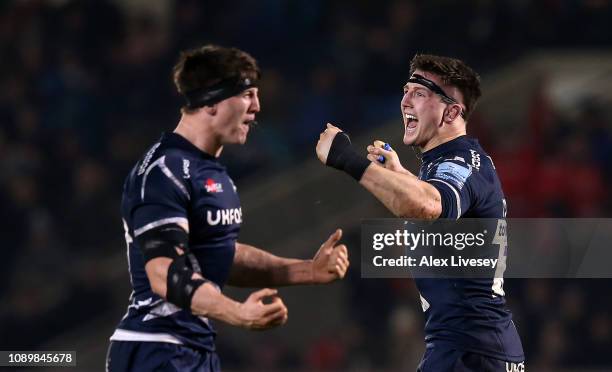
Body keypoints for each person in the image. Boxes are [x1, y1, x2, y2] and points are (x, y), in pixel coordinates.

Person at [107, 45, 350, 372]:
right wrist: (238, 313)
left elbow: (219, 254)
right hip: (157, 348)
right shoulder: (163, 171)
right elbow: (163, 272)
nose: (257, 106)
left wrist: (306, 270)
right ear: (210, 101)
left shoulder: (211, 172)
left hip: (193, 348)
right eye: (247, 94)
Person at [316, 54, 524, 371]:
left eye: (420, 93)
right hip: (469, 348)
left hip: (469, 352)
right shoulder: (452, 163)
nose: (405, 101)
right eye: (406, 90)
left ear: (452, 111)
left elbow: (428, 207)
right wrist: (400, 174)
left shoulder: (461, 163)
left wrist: (347, 158)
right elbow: (440, 211)